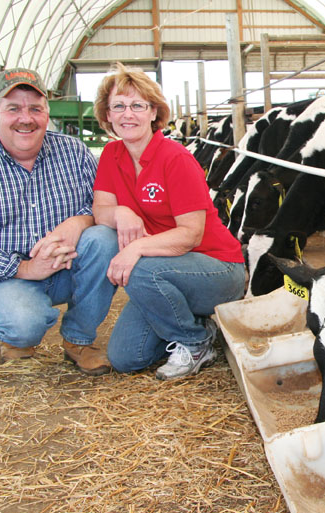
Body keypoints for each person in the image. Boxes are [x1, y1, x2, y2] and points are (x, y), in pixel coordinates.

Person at [0, 68, 118, 376]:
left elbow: (103, 203)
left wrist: (80, 221)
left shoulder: (74, 152)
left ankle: (78, 341)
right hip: (5, 275)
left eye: (35, 108)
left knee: (105, 239)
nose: (26, 118)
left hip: (66, 267)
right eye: (14, 108)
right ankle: (19, 339)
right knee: (24, 324)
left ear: (47, 112)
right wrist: (24, 268)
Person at [92, 63, 245, 380]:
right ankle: (195, 319)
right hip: (166, 270)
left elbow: (190, 235)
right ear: (107, 115)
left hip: (216, 268)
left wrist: (136, 249)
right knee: (126, 358)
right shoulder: (111, 154)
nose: (128, 114)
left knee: (140, 269)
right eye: (118, 106)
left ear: (153, 112)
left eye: (137, 105)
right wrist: (121, 212)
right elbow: (101, 210)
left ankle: (196, 341)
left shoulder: (175, 158)